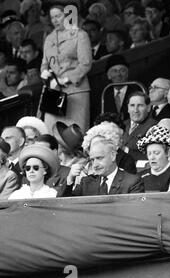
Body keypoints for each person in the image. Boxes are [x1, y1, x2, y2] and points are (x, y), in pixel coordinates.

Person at [40, 4, 93, 133]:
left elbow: (85, 64)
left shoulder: (80, 35)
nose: (55, 20)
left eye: (58, 16)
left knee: (75, 133)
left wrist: (65, 79)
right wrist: (44, 72)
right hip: (53, 91)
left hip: (76, 91)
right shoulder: (49, 38)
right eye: (52, 17)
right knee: (51, 133)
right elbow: (44, 63)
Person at [64, 138, 144, 197]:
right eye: (92, 160)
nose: (95, 165)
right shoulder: (86, 183)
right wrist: (70, 179)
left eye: (99, 158)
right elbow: (63, 208)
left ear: (113, 156)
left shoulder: (132, 182)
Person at [137, 125, 170, 192]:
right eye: (149, 153)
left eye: (156, 153)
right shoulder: (141, 175)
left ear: (167, 152)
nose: (152, 157)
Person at [122, 91, 158, 162]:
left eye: (140, 105)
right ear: (128, 108)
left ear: (148, 108)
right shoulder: (121, 125)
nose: (136, 110)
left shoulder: (154, 127)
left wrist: (125, 149)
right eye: (132, 105)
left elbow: (152, 157)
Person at [103, 54, 140, 121]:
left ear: (127, 74)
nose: (118, 74)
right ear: (109, 76)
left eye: (122, 70)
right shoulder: (104, 94)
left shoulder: (137, 92)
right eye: (115, 71)